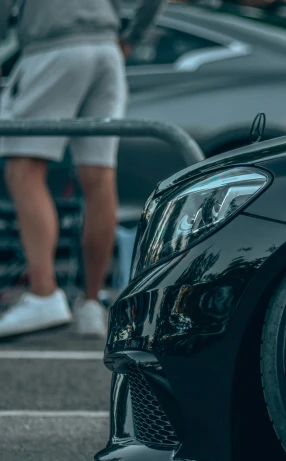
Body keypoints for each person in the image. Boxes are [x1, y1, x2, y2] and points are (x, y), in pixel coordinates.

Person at [0, 0, 165, 339]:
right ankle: (91, 305)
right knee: (99, 179)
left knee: (23, 170)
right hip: (106, 50)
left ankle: (43, 294)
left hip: (53, 46)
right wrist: (133, 36)